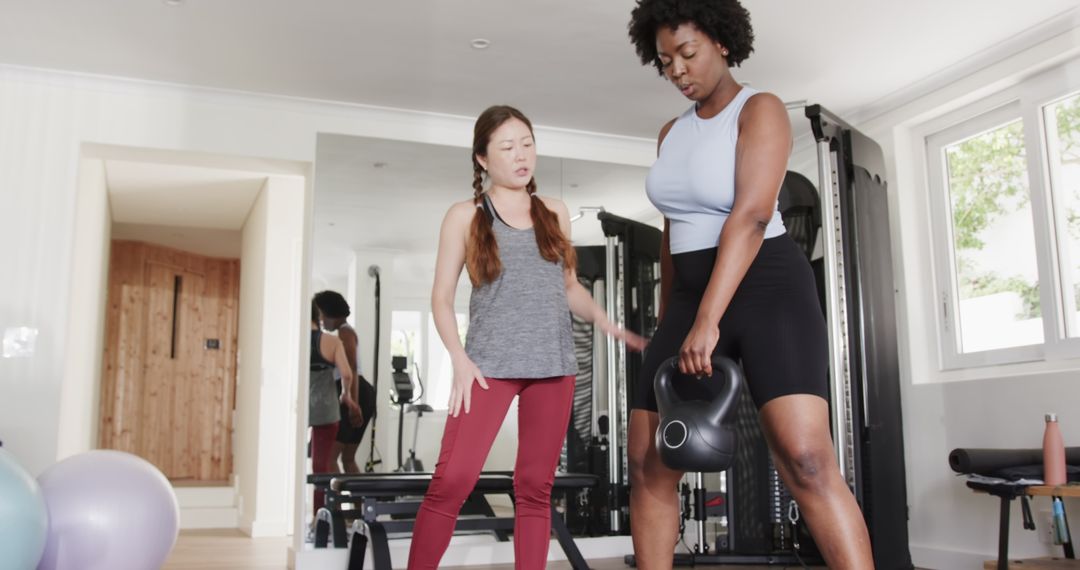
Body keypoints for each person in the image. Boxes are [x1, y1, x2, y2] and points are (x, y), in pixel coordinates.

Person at [625, 1, 875, 568]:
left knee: (806, 459)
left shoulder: (757, 109)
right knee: (648, 462)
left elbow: (753, 215)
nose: (678, 71)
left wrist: (709, 321)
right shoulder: (671, 132)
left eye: (687, 54)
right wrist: (675, 319)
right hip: (691, 297)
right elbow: (672, 233)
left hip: (767, 288)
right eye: (665, 61)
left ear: (722, 43)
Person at [406, 105, 645, 570]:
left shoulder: (554, 210)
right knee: (452, 481)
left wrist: (606, 321)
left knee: (535, 489)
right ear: (482, 159)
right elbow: (440, 298)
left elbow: (569, 286)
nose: (522, 156)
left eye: (528, 144)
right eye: (507, 147)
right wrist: (458, 358)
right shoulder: (465, 216)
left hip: (553, 367)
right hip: (486, 366)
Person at [308, 299, 362, 525]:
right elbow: (348, 374)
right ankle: (322, 518)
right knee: (321, 466)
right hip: (326, 406)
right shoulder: (331, 340)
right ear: (317, 316)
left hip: (301, 404)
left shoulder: (293, 338)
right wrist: (346, 395)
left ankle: (342, 512)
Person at [314, 290, 376, 474]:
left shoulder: (344, 333)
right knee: (347, 459)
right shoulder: (345, 332)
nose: (321, 320)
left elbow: (351, 370)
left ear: (329, 312)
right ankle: (360, 504)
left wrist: (352, 404)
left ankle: (335, 503)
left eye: (321, 314)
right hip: (359, 391)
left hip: (354, 391)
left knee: (330, 458)